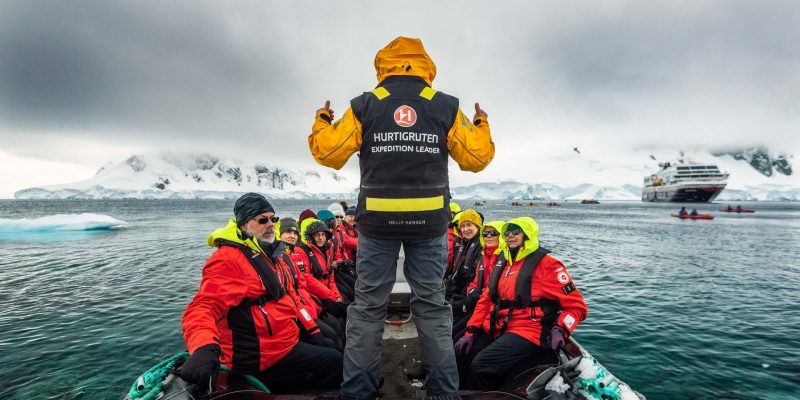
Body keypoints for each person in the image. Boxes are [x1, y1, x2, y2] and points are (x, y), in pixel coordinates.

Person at [308, 36, 495, 399]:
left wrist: (323, 118)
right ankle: (443, 392)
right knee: (432, 306)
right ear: (425, 66)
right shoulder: (443, 105)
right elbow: (477, 158)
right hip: (429, 225)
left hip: (376, 225)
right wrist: (481, 122)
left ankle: (358, 392)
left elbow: (328, 153)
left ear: (383, 65)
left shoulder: (366, 105)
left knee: (366, 309)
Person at [180, 193, 342, 393]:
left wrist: (312, 328)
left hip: (284, 339)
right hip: (260, 355)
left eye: (273, 219)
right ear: (243, 225)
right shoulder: (228, 260)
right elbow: (203, 306)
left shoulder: (272, 254)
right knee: (334, 360)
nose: (271, 224)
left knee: (331, 345)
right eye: (262, 220)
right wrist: (204, 347)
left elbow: (291, 294)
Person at [454, 217, 588, 391]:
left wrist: (561, 328)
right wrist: (471, 331)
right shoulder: (504, 262)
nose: (510, 236)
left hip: (529, 329)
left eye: (516, 232)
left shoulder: (548, 265)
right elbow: (486, 299)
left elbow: (577, 306)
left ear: (528, 234)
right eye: (507, 232)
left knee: (481, 365)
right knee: (460, 354)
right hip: (499, 324)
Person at [279, 217, 343, 350]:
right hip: (302, 311)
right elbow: (305, 282)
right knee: (333, 339)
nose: (292, 236)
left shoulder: (289, 256)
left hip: (312, 304)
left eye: (295, 233)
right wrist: (330, 297)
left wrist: (336, 296)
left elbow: (328, 276)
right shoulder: (292, 255)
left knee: (339, 323)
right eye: (288, 232)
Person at [452, 220, 505, 340]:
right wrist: (471, 293)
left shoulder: (506, 259)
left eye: (493, 233)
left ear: (502, 235)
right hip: (477, 302)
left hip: (490, 308)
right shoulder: (484, 257)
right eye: (485, 234)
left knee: (455, 336)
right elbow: (475, 282)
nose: (489, 236)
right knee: (450, 329)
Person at [446, 210, 484, 338]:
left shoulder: (481, 246)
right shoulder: (464, 243)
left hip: (470, 298)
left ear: (478, 226)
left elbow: (476, 279)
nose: (465, 229)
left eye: (469, 225)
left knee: (450, 333)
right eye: (462, 226)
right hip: (459, 292)